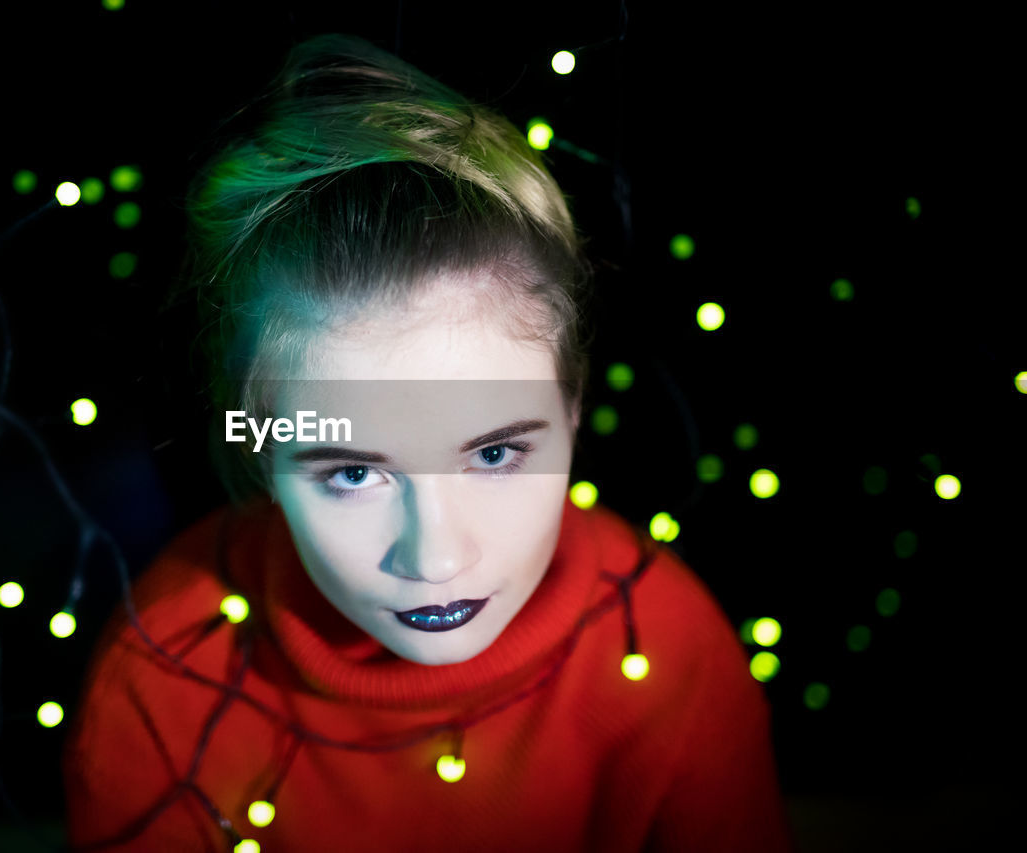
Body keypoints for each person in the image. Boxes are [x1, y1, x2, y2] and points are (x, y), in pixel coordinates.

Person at [61, 33, 796, 852]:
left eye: (493, 453)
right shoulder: (167, 680)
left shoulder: (666, 655)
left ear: (573, 410)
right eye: (351, 471)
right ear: (257, 445)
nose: (437, 558)